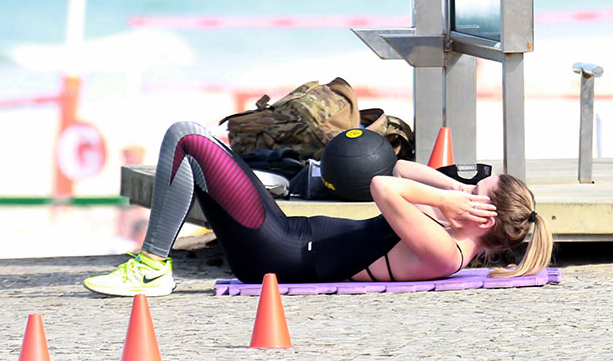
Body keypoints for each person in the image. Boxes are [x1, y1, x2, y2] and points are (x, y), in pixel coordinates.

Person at [83, 121, 553, 297]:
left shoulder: (445, 253)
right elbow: (403, 167)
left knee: (186, 138)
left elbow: (383, 185)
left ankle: (150, 266)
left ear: (482, 217)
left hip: (275, 252)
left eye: (475, 190)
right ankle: (152, 262)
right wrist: (451, 188)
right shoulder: (446, 226)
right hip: (281, 233)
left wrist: (447, 201)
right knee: (189, 149)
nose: (463, 189)